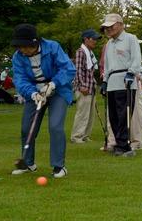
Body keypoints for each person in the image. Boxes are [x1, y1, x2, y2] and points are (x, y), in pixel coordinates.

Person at [10, 23, 75, 177]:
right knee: (27, 128)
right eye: (20, 47)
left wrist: (52, 84)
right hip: (35, 93)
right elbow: (20, 79)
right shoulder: (18, 57)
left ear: (35, 42)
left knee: (55, 126)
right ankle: (27, 164)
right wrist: (33, 94)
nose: (23, 50)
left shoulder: (52, 47)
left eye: (26, 46)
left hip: (58, 90)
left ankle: (59, 166)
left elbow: (68, 69)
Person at [100, 13, 142, 157]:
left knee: (123, 114)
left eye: (111, 26)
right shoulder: (109, 43)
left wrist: (132, 72)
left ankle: (124, 145)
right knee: (113, 116)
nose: (108, 29)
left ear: (120, 24)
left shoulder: (131, 39)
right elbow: (107, 65)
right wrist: (104, 81)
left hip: (126, 82)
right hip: (112, 82)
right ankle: (118, 143)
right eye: (106, 27)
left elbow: (136, 58)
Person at [70, 28, 102, 144]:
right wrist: (82, 86)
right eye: (93, 39)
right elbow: (78, 70)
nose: (95, 41)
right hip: (83, 88)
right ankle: (76, 136)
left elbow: (90, 72)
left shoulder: (90, 53)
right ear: (86, 39)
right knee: (82, 113)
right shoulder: (81, 52)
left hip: (91, 87)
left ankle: (85, 136)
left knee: (90, 114)